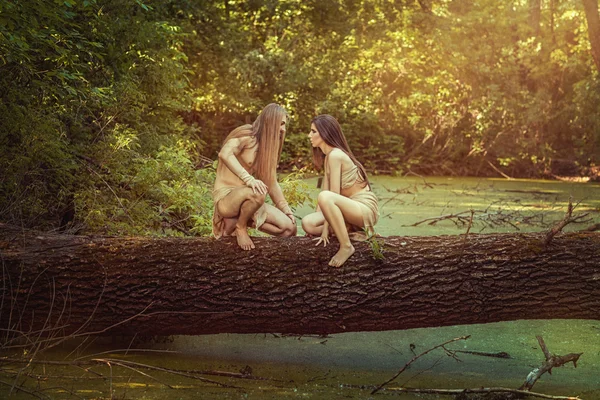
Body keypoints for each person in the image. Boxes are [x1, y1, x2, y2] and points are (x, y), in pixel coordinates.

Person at [212, 103, 297, 250]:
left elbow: (271, 182)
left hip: (248, 199)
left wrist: (285, 208)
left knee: (289, 229)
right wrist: (249, 179)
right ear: (271, 121)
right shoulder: (246, 135)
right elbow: (224, 154)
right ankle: (240, 226)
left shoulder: (268, 148)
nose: (283, 129)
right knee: (258, 192)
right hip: (227, 199)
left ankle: (235, 221)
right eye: (281, 123)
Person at [301, 114, 379, 267]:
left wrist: (324, 231)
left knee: (326, 197)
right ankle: (351, 230)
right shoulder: (328, 157)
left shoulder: (336, 155)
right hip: (346, 209)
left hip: (363, 209)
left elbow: (332, 195)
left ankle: (346, 246)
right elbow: (323, 195)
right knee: (308, 223)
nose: (309, 135)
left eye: (313, 131)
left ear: (325, 133)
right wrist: (317, 222)